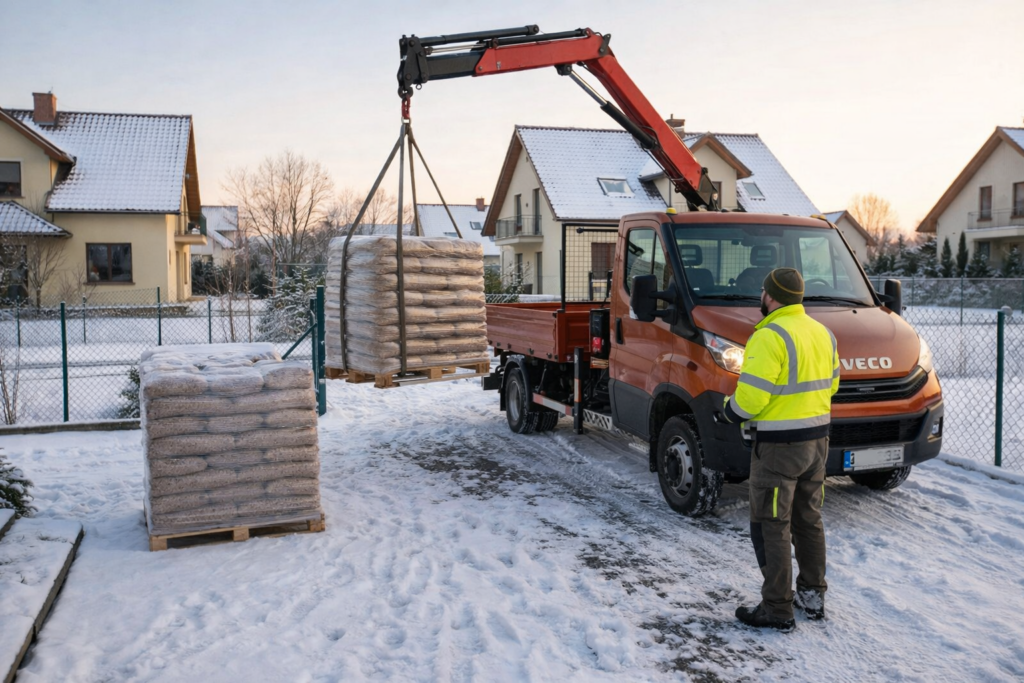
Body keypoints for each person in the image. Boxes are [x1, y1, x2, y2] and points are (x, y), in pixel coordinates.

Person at [722, 267, 839, 631]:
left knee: (771, 524)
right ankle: (812, 597)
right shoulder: (822, 332)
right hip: (817, 442)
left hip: (777, 448)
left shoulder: (768, 336)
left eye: (763, 291)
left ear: (771, 296)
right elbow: (832, 384)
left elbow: (751, 398)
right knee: (808, 520)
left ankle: (776, 607)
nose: (761, 296)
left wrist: (729, 410)